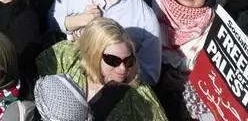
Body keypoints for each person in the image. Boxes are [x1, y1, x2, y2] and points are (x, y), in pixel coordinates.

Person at [36, 17, 168, 121]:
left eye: (129, 61)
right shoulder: (67, 59)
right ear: (92, 54)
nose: (122, 69)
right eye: (113, 60)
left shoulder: (138, 96)